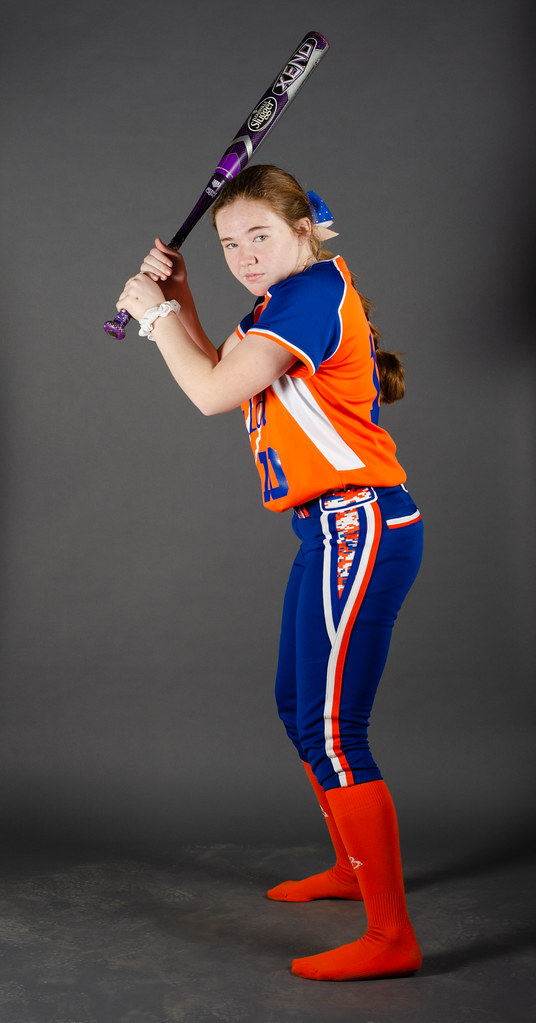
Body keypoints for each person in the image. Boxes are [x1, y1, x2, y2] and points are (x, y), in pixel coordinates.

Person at [116, 164, 424, 982]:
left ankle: (394, 937)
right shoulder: (285, 300)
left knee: (334, 730)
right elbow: (230, 363)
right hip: (328, 530)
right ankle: (353, 873)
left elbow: (214, 393)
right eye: (228, 245)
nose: (245, 256)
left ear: (303, 230)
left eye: (261, 236)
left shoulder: (309, 296)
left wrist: (152, 320)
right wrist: (177, 300)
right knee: (298, 708)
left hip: (361, 526)